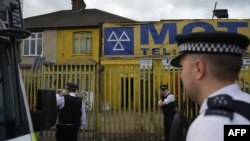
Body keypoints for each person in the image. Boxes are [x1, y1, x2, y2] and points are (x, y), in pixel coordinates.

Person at [170, 31, 250, 141]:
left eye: (182, 67)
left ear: (198, 68)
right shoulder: (245, 105)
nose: (181, 75)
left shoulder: (211, 125)